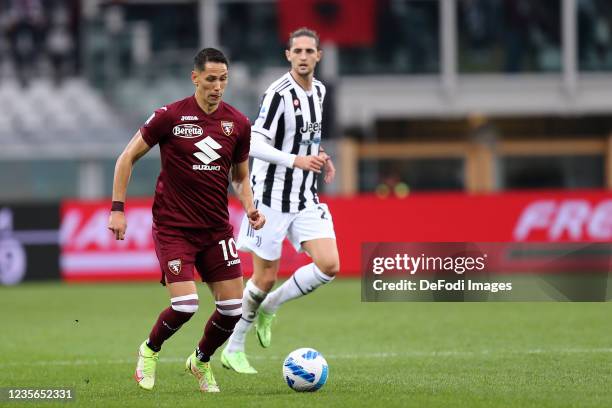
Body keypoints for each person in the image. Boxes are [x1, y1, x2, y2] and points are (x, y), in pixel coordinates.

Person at [107, 48, 265, 392]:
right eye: (211, 79)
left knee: (232, 310)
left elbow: (239, 176)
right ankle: (149, 351)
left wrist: (250, 206)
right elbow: (126, 158)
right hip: (174, 227)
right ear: (195, 78)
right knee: (185, 305)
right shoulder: (169, 116)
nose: (218, 87)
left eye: (223, 80)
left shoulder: (238, 124)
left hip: (216, 229)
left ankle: (201, 361)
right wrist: (117, 208)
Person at [221, 27, 339, 374]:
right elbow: (253, 144)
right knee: (264, 277)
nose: (303, 56)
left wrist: (319, 155)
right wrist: (295, 161)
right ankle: (234, 346)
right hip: (269, 198)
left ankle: (271, 307)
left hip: (303, 195)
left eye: (309, 51)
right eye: (297, 51)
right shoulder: (277, 94)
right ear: (288, 55)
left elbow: (302, 139)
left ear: (318, 56)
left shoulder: (319, 90)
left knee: (329, 265)